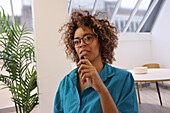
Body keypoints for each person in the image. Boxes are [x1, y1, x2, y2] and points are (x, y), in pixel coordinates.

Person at [54, 10, 138, 113]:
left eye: (88, 38)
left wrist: (102, 90)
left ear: (102, 41)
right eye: (77, 41)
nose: (81, 44)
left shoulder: (123, 79)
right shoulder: (66, 83)